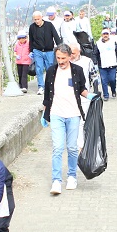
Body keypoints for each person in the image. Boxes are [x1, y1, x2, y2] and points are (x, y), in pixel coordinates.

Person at [42, 43, 93, 194]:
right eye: (58, 58)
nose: (61, 61)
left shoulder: (77, 70)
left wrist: (90, 96)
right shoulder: (51, 71)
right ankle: (56, 180)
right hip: (56, 113)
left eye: (63, 58)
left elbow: (82, 89)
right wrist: (45, 113)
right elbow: (47, 94)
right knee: (58, 148)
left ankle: (72, 176)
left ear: (70, 57)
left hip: (73, 114)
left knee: (71, 148)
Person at [27, 10, 61, 94]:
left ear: (42, 17)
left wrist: (60, 47)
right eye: (35, 19)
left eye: (38, 19)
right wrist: (31, 50)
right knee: (39, 69)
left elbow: (56, 36)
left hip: (49, 51)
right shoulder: (32, 27)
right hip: (37, 51)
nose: (37, 21)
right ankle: (41, 86)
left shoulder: (49, 25)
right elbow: (31, 39)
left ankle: (50, 86)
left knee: (50, 68)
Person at [95, 28, 117, 100]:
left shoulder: (113, 42)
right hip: (102, 66)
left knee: (112, 80)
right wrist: (95, 63)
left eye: (107, 34)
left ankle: (113, 90)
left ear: (109, 35)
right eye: (104, 34)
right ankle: (106, 95)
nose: (105, 35)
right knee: (104, 81)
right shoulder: (98, 44)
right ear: (102, 35)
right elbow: (94, 54)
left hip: (112, 65)